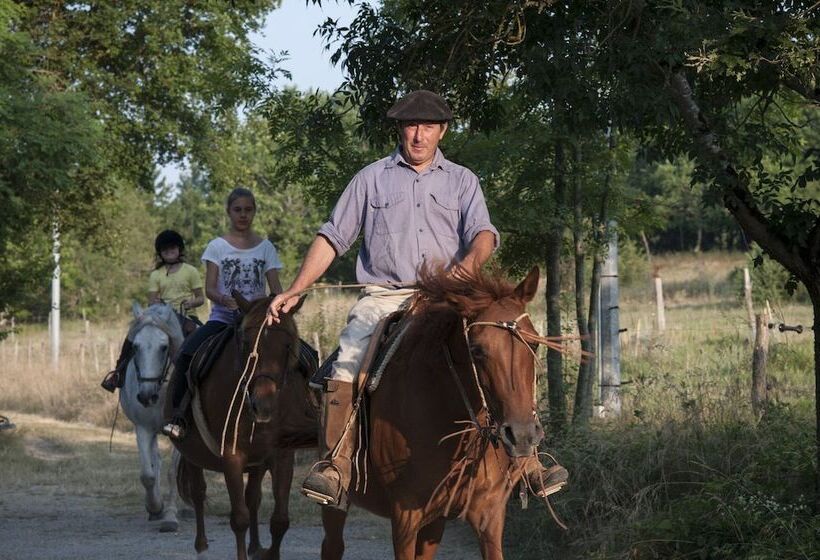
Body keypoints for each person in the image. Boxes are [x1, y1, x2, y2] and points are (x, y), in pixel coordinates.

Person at [267, 90, 568, 509]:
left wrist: (468, 266)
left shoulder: (463, 180)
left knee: (507, 343)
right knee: (349, 357)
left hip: (450, 297)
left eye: (429, 126)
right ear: (400, 129)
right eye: (412, 125)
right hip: (385, 296)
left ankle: (530, 461)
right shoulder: (370, 179)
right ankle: (336, 466)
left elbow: (484, 233)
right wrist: (296, 287)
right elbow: (332, 237)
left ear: (442, 130)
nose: (419, 135)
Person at [161, 187, 284, 439]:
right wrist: (225, 300)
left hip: (257, 322)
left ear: (254, 212)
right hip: (223, 319)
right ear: (229, 212)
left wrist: (274, 303)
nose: (243, 215)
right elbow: (209, 289)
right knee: (186, 354)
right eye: (238, 210)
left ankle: (307, 413)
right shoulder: (216, 247)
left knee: (299, 353)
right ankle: (179, 417)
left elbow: (276, 289)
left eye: (248, 210)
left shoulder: (266, 248)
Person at [100, 230, 204, 393]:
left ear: (179, 250)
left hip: (185, 315)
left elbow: (201, 298)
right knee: (133, 333)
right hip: (161, 316)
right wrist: (156, 302)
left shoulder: (191, 271)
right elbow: (152, 300)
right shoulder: (156, 275)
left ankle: (200, 376)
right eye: (165, 250)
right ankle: (118, 372)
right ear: (160, 253)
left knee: (200, 336)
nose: (169, 252)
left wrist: (191, 302)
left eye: (172, 249)